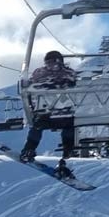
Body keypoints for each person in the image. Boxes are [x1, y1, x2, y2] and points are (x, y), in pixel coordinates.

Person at [20, 50, 77, 178]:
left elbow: (31, 87)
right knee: (69, 126)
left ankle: (29, 149)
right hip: (65, 113)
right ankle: (68, 152)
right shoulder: (68, 72)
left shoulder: (39, 73)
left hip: (45, 113)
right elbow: (74, 84)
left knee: (36, 126)